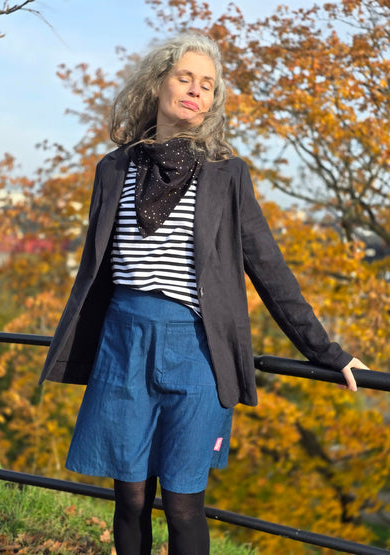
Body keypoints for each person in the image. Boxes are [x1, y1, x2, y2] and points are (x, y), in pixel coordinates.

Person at [39, 33, 368, 555]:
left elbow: (269, 267)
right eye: (185, 78)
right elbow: (94, 269)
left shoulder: (227, 175)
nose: (195, 91)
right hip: (122, 345)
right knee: (129, 498)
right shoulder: (115, 168)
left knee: (185, 503)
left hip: (197, 349)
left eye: (207, 85)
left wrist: (325, 351)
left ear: (213, 101)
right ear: (158, 84)